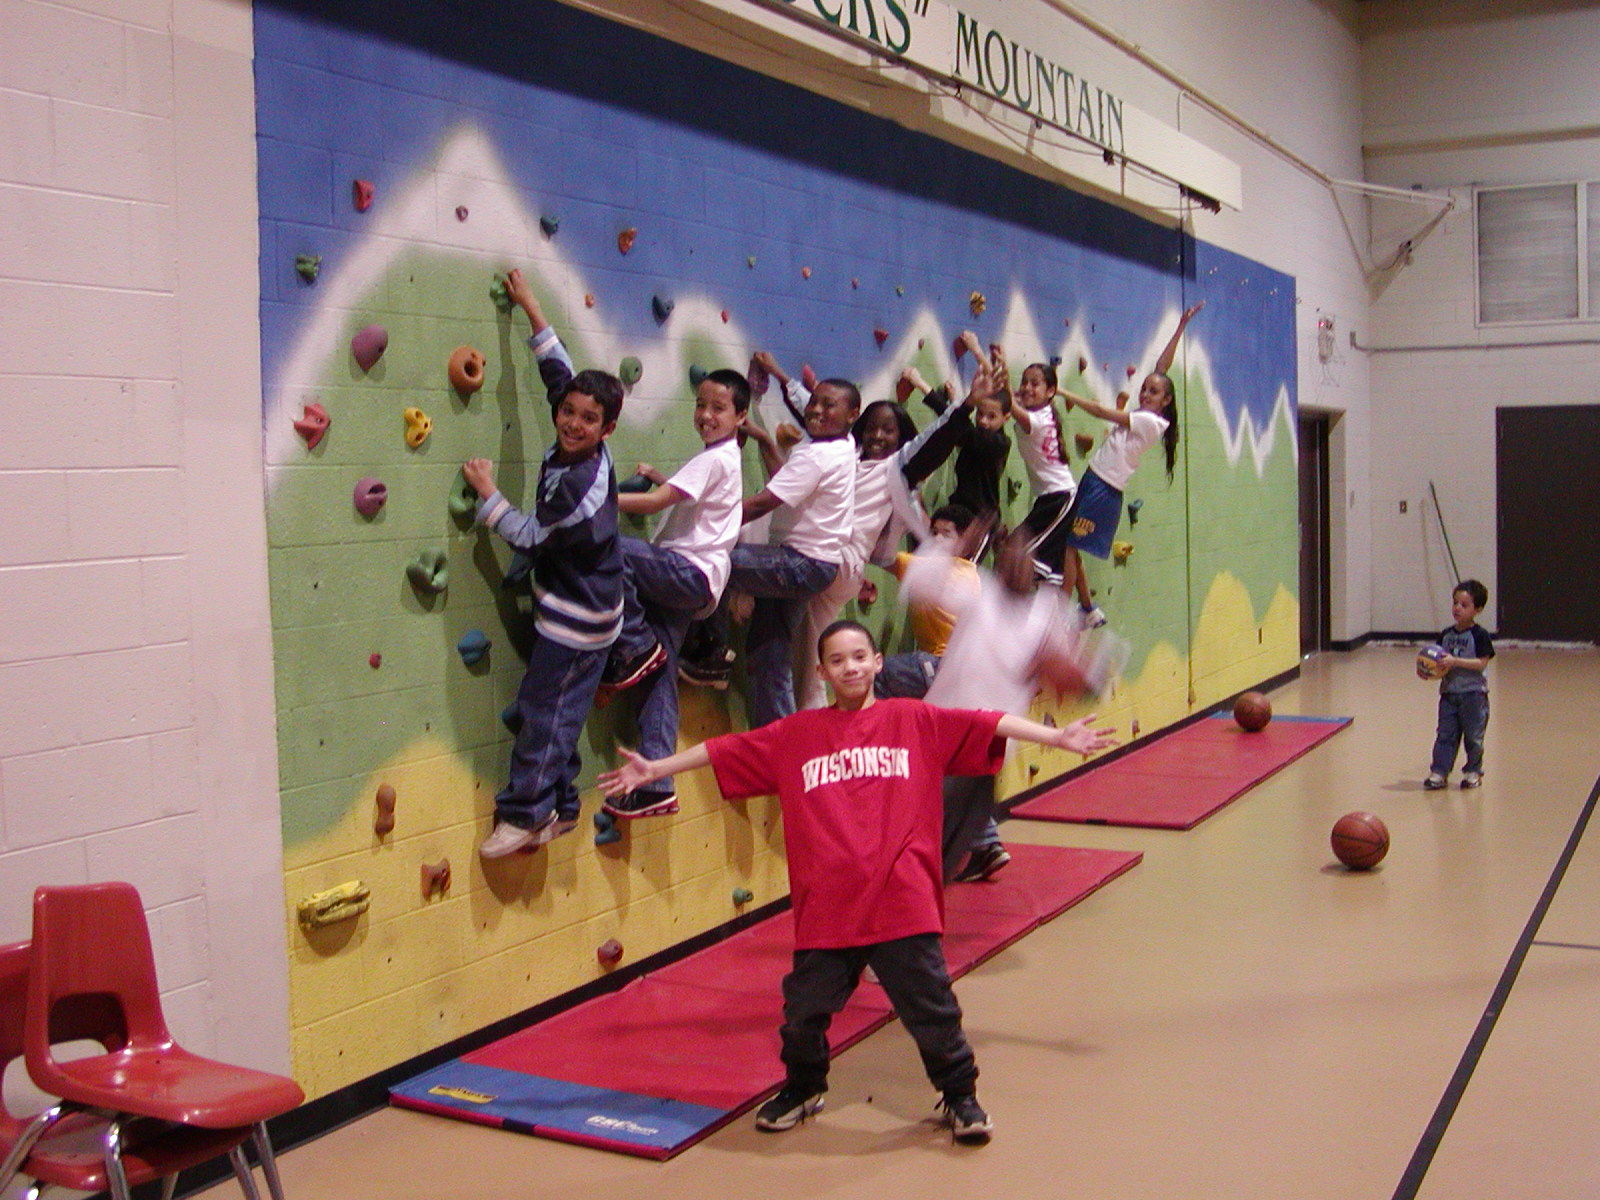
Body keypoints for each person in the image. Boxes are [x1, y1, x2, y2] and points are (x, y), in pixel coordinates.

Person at [597, 620, 1117, 1145]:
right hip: (829, 910)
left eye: (859, 657)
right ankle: (803, 1087)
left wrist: (1057, 736)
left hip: (903, 902)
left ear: (877, 664)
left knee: (933, 1011)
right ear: (821, 672)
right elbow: (724, 750)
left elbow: (988, 722)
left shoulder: (913, 719)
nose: (850, 667)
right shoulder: (795, 735)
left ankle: (960, 1096)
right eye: (837, 660)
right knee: (803, 1013)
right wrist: (655, 767)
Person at [467, 269, 627, 857]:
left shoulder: (578, 483)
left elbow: (532, 537)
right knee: (560, 709)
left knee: (545, 711)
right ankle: (560, 806)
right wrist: (532, 309)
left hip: (578, 618)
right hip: (589, 607)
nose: (573, 422)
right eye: (571, 412)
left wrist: (489, 495)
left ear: (607, 430)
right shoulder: (576, 432)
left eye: (589, 420)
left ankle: (527, 815)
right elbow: (558, 372)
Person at [898, 524, 1126, 881]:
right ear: (999, 563)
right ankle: (912, 899)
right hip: (938, 732)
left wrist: (1078, 670)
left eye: (1024, 557)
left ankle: (924, 900)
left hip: (985, 747)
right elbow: (920, 583)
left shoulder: (1047, 612)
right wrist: (956, 545)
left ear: (1033, 567)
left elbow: (1076, 680)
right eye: (1009, 557)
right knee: (918, 835)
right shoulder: (978, 591)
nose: (1017, 563)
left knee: (939, 845)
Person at [792, 361, 987, 711]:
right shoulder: (846, 457)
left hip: (836, 563)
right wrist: (785, 382)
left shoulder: (895, 469)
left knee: (811, 657)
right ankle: (814, 720)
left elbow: (936, 442)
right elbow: (818, 419)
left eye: (889, 431)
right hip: (831, 561)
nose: (878, 437)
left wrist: (968, 404)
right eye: (872, 428)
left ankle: (817, 722)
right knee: (806, 654)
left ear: (902, 440)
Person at [599, 369, 750, 819]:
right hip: (695, 585)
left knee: (612, 549)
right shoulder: (722, 460)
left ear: (740, 416)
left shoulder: (715, 459)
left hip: (688, 572)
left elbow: (653, 503)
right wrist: (663, 476)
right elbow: (694, 502)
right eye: (701, 405)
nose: (705, 415)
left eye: (718, 408)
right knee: (659, 676)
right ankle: (655, 782)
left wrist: (594, 499)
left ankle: (632, 644)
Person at [679, 374, 859, 726]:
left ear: (853, 414)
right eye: (814, 402)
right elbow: (787, 484)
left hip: (800, 563)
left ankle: (711, 652)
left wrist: (712, 520)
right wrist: (764, 439)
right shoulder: (844, 446)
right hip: (812, 566)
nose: (816, 410)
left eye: (829, 405)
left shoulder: (819, 454)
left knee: (716, 560)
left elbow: (764, 502)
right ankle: (777, 739)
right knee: (769, 653)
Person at [1056, 303, 1202, 626]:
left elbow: (1099, 411)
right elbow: (1162, 367)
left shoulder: (1150, 421)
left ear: (1165, 401)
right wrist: (1180, 328)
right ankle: (1087, 609)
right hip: (1095, 481)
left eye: (1154, 392)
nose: (1146, 393)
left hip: (1103, 489)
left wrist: (1061, 390)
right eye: (1145, 389)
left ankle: (1059, 616)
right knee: (1071, 544)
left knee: (1067, 546)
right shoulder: (1147, 413)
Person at [1000, 348, 1079, 591]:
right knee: (1044, 566)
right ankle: (1052, 618)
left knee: (1016, 553)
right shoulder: (1040, 412)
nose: (1027, 388)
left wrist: (997, 364)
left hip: (1060, 498)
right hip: (1049, 499)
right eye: (1024, 382)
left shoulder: (1038, 420)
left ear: (1051, 392)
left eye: (1035, 384)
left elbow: (1008, 402)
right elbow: (1010, 398)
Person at [1424, 579, 1494, 790]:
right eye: (1455, 603)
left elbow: (1481, 663)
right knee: (1445, 734)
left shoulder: (1479, 635)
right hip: (1449, 694)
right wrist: (1427, 670)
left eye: (1464, 605)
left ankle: (1473, 771)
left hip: (1473, 695)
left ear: (1478, 609)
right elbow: (1436, 661)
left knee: (1473, 736)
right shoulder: (1446, 635)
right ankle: (1439, 772)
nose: (1457, 608)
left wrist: (1456, 662)